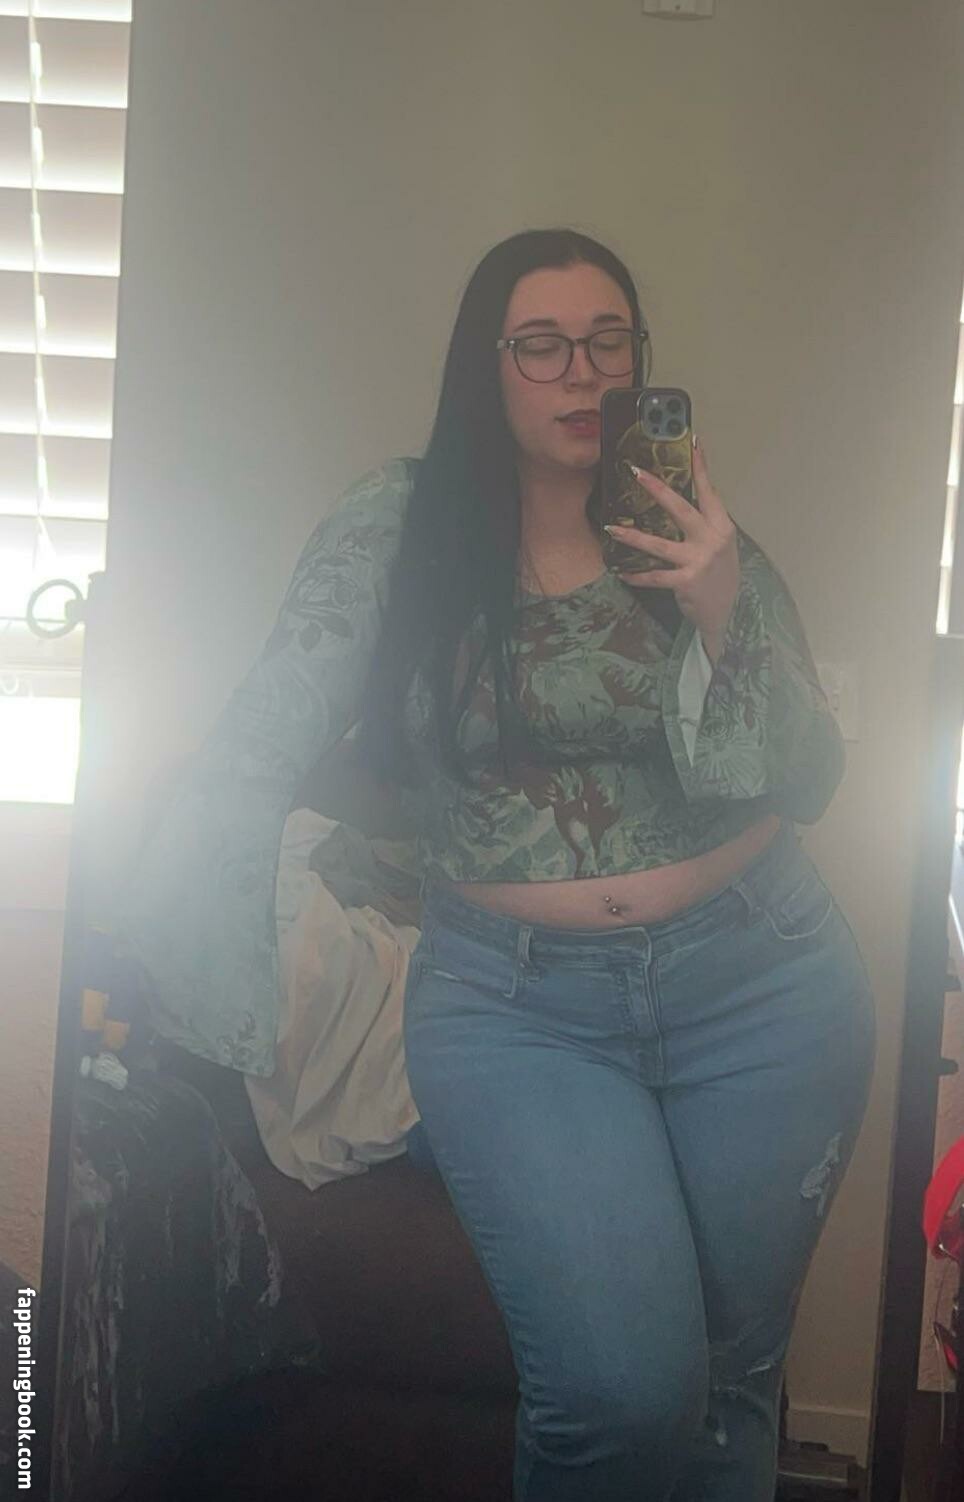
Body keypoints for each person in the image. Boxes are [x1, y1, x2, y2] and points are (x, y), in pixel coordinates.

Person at [120, 228, 877, 1502]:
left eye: (608, 340)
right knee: (618, 1392)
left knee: (734, 1378)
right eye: (543, 344)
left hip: (765, 983)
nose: (582, 370)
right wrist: (177, 951)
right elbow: (266, 724)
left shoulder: (692, 521)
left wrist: (721, 596)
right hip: (520, 1009)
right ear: (489, 364)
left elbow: (806, 776)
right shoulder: (401, 521)